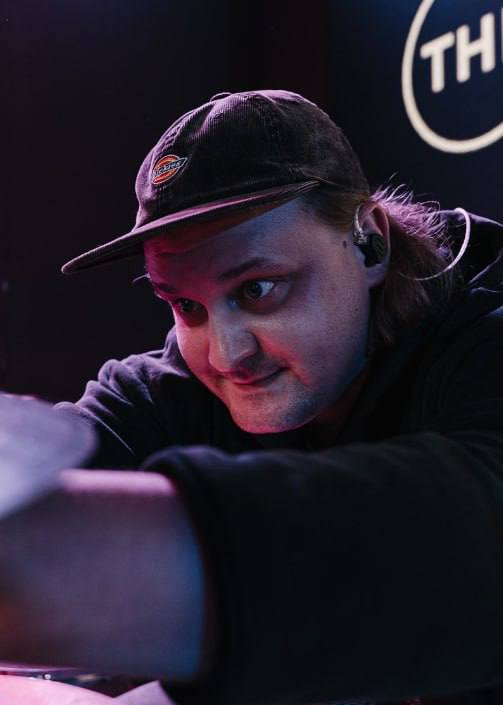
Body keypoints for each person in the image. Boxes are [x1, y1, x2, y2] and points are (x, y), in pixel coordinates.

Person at [2, 90, 503, 705]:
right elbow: (44, 475)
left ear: (369, 242)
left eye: (258, 289)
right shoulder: (173, 382)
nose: (225, 354)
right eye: (186, 306)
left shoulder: (484, 333)